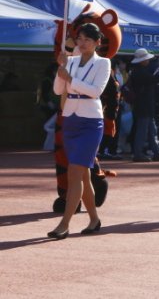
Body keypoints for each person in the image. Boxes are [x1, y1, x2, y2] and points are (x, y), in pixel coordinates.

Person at [45, 23, 112, 239]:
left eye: (87, 40)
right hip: (71, 120)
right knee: (83, 175)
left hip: (91, 123)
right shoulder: (70, 61)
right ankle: (94, 219)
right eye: (80, 39)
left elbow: (95, 91)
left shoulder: (104, 63)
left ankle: (64, 223)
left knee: (74, 172)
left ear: (97, 43)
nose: (82, 43)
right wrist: (60, 71)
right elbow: (57, 90)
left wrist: (71, 79)